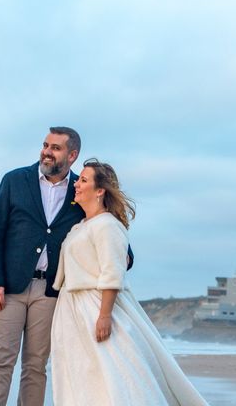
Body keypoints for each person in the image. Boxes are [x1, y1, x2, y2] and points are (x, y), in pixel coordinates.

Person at [0, 127, 133, 406]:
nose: (46, 151)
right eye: (45, 145)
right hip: (9, 289)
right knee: (1, 361)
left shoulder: (81, 189)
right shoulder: (14, 180)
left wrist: (124, 256)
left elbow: (104, 227)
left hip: (51, 292)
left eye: (55, 148)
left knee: (36, 365)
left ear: (72, 155)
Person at [51, 159, 209, 406]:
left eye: (83, 180)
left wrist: (104, 316)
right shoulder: (81, 225)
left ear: (100, 190)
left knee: (112, 371)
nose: (76, 184)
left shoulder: (107, 225)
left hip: (95, 304)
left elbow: (112, 272)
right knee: (83, 373)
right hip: (72, 307)